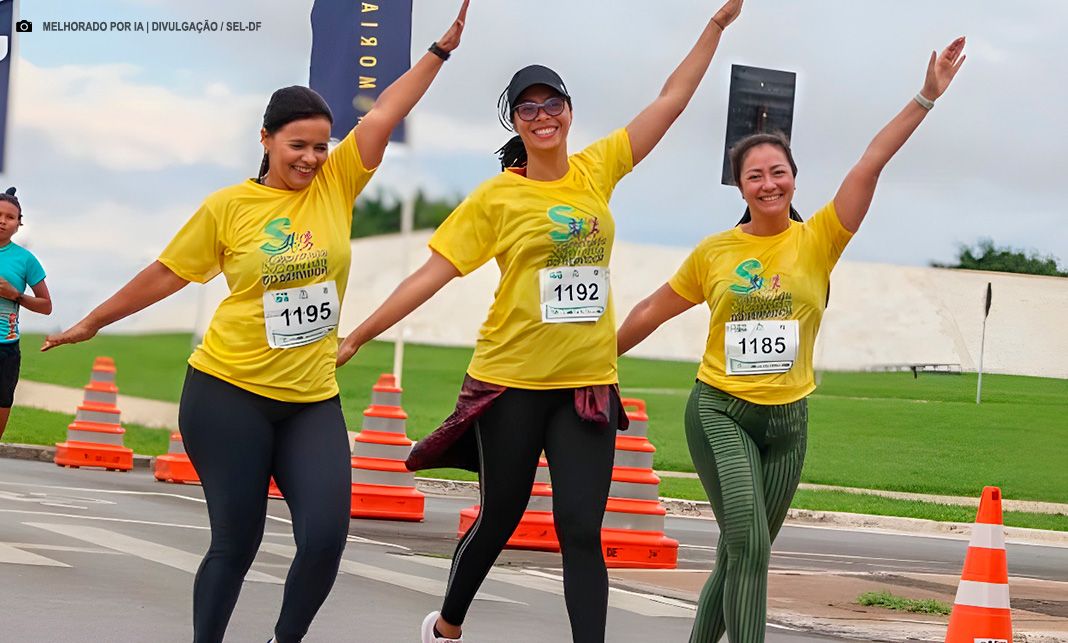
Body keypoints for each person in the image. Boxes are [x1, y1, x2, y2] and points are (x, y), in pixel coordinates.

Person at [40, 3, 471, 641]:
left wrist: (438, 51)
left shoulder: (337, 182)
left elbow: (383, 112)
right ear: (267, 140)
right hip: (227, 392)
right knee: (235, 544)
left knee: (325, 539)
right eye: (298, 145)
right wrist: (94, 321)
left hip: (309, 398)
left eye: (321, 146)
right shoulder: (229, 207)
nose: (311, 158)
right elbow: (168, 273)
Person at [335, 3, 745, 641]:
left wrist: (715, 28)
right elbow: (431, 274)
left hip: (585, 385)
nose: (543, 115)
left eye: (552, 103)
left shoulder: (597, 169)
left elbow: (672, 100)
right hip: (511, 381)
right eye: (527, 108)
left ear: (570, 112)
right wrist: (360, 333)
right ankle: (446, 626)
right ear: (515, 123)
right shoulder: (497, 197)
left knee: (582, 529)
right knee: (500, 514)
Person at [616, 37, 967, 643]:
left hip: (788, 425)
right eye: (755, 175)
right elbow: (653, 308)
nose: (768, 183)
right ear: (740, 186)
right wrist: (594, 360)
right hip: (721, 411)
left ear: (795, 181)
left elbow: (871, 162)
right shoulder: (716, 252)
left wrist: (925, 96)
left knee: (737, 555)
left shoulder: (820, 238)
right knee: (750, 545)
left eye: (778, 172)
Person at [0, 188, 52, 440]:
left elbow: (46, 305)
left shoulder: (25, 260)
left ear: (18, 225)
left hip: (5, 348)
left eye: (10, 217)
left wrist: (16, 295)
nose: (2, 220)